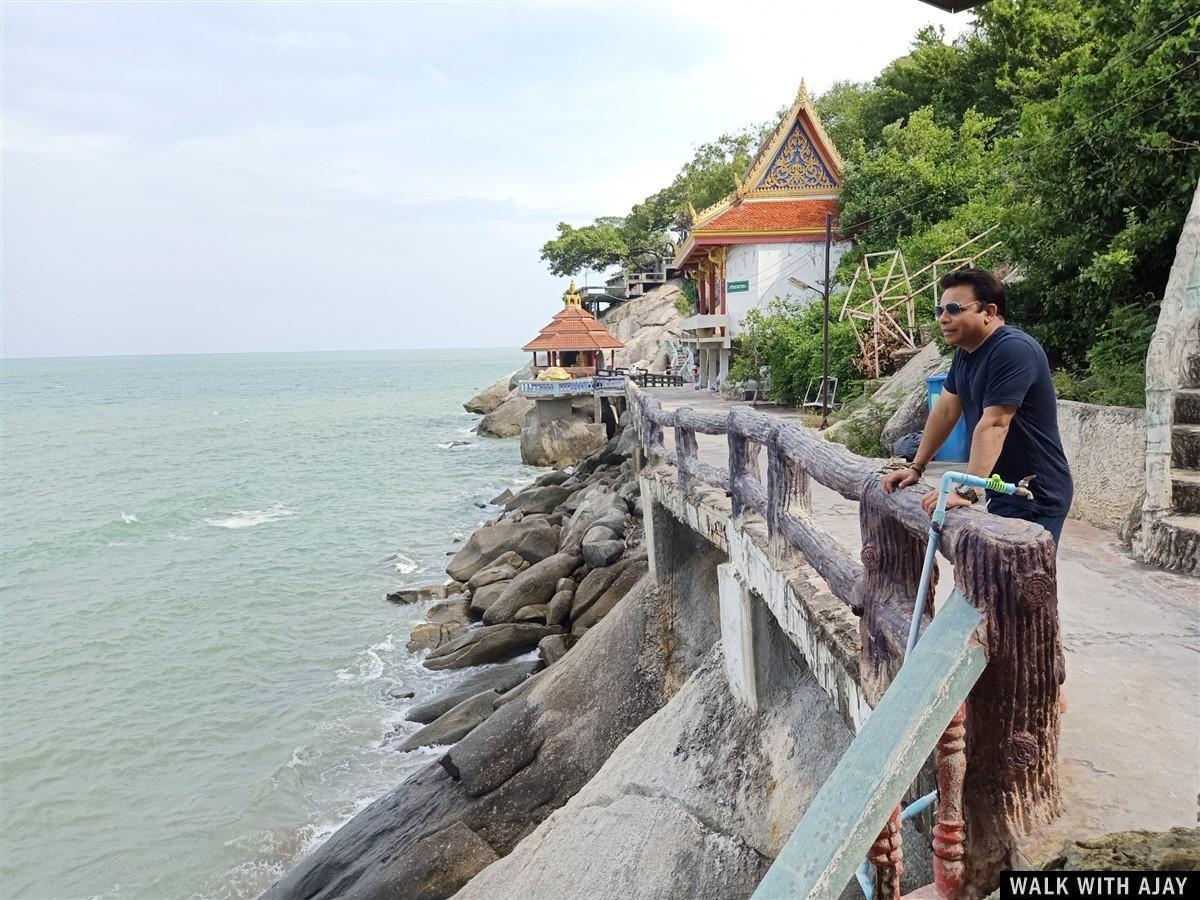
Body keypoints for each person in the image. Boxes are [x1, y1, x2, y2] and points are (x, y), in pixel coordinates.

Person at [881, 268, 1073, 546]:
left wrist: (966, 490)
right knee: (993, 581)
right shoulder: (966, 354)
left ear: (989, 311)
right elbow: (945, 411)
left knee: (1020, 583)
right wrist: (916, 467)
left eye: (955, 309)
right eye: (940, 310)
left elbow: (996, 423)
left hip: (1034, 493)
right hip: (1002, 488)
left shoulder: (1013, 350)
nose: (943, 319)